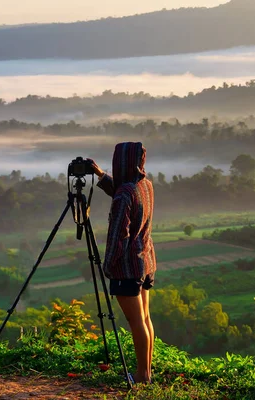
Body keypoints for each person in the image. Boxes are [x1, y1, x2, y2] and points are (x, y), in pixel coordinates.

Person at [89, 142, 156, 384]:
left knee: (135, 322)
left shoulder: (124, 195)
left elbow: (118, 235)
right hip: (145, 261)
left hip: (127, 267)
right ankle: (146, 372)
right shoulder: (145, 186)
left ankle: (141, 376)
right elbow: (123, 191)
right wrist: (100, 175)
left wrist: (108, 266)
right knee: (145, 319)